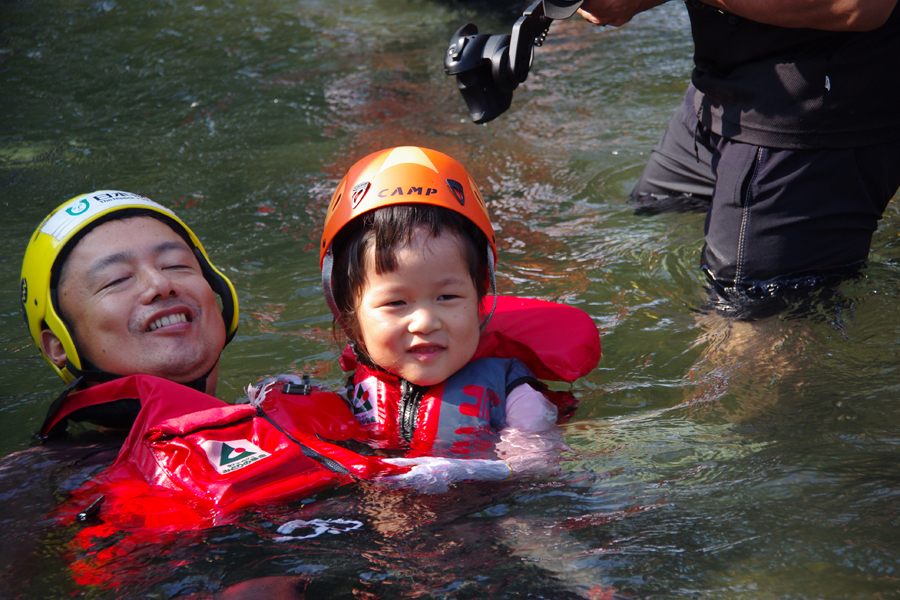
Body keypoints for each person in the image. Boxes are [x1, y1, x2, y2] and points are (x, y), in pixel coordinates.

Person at [577, 0, 900, 314]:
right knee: (654, 210)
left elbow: (856, 6)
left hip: (814, 110)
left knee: (747, 314)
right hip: (719, 84)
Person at [319, 146, 601, 491]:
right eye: (395, 302)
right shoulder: (352, 397)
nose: (424, 322)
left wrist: (458, 471)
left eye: (447, 297)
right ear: (349, 317)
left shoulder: (514, 392)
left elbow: (535, 466)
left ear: (481, 297)